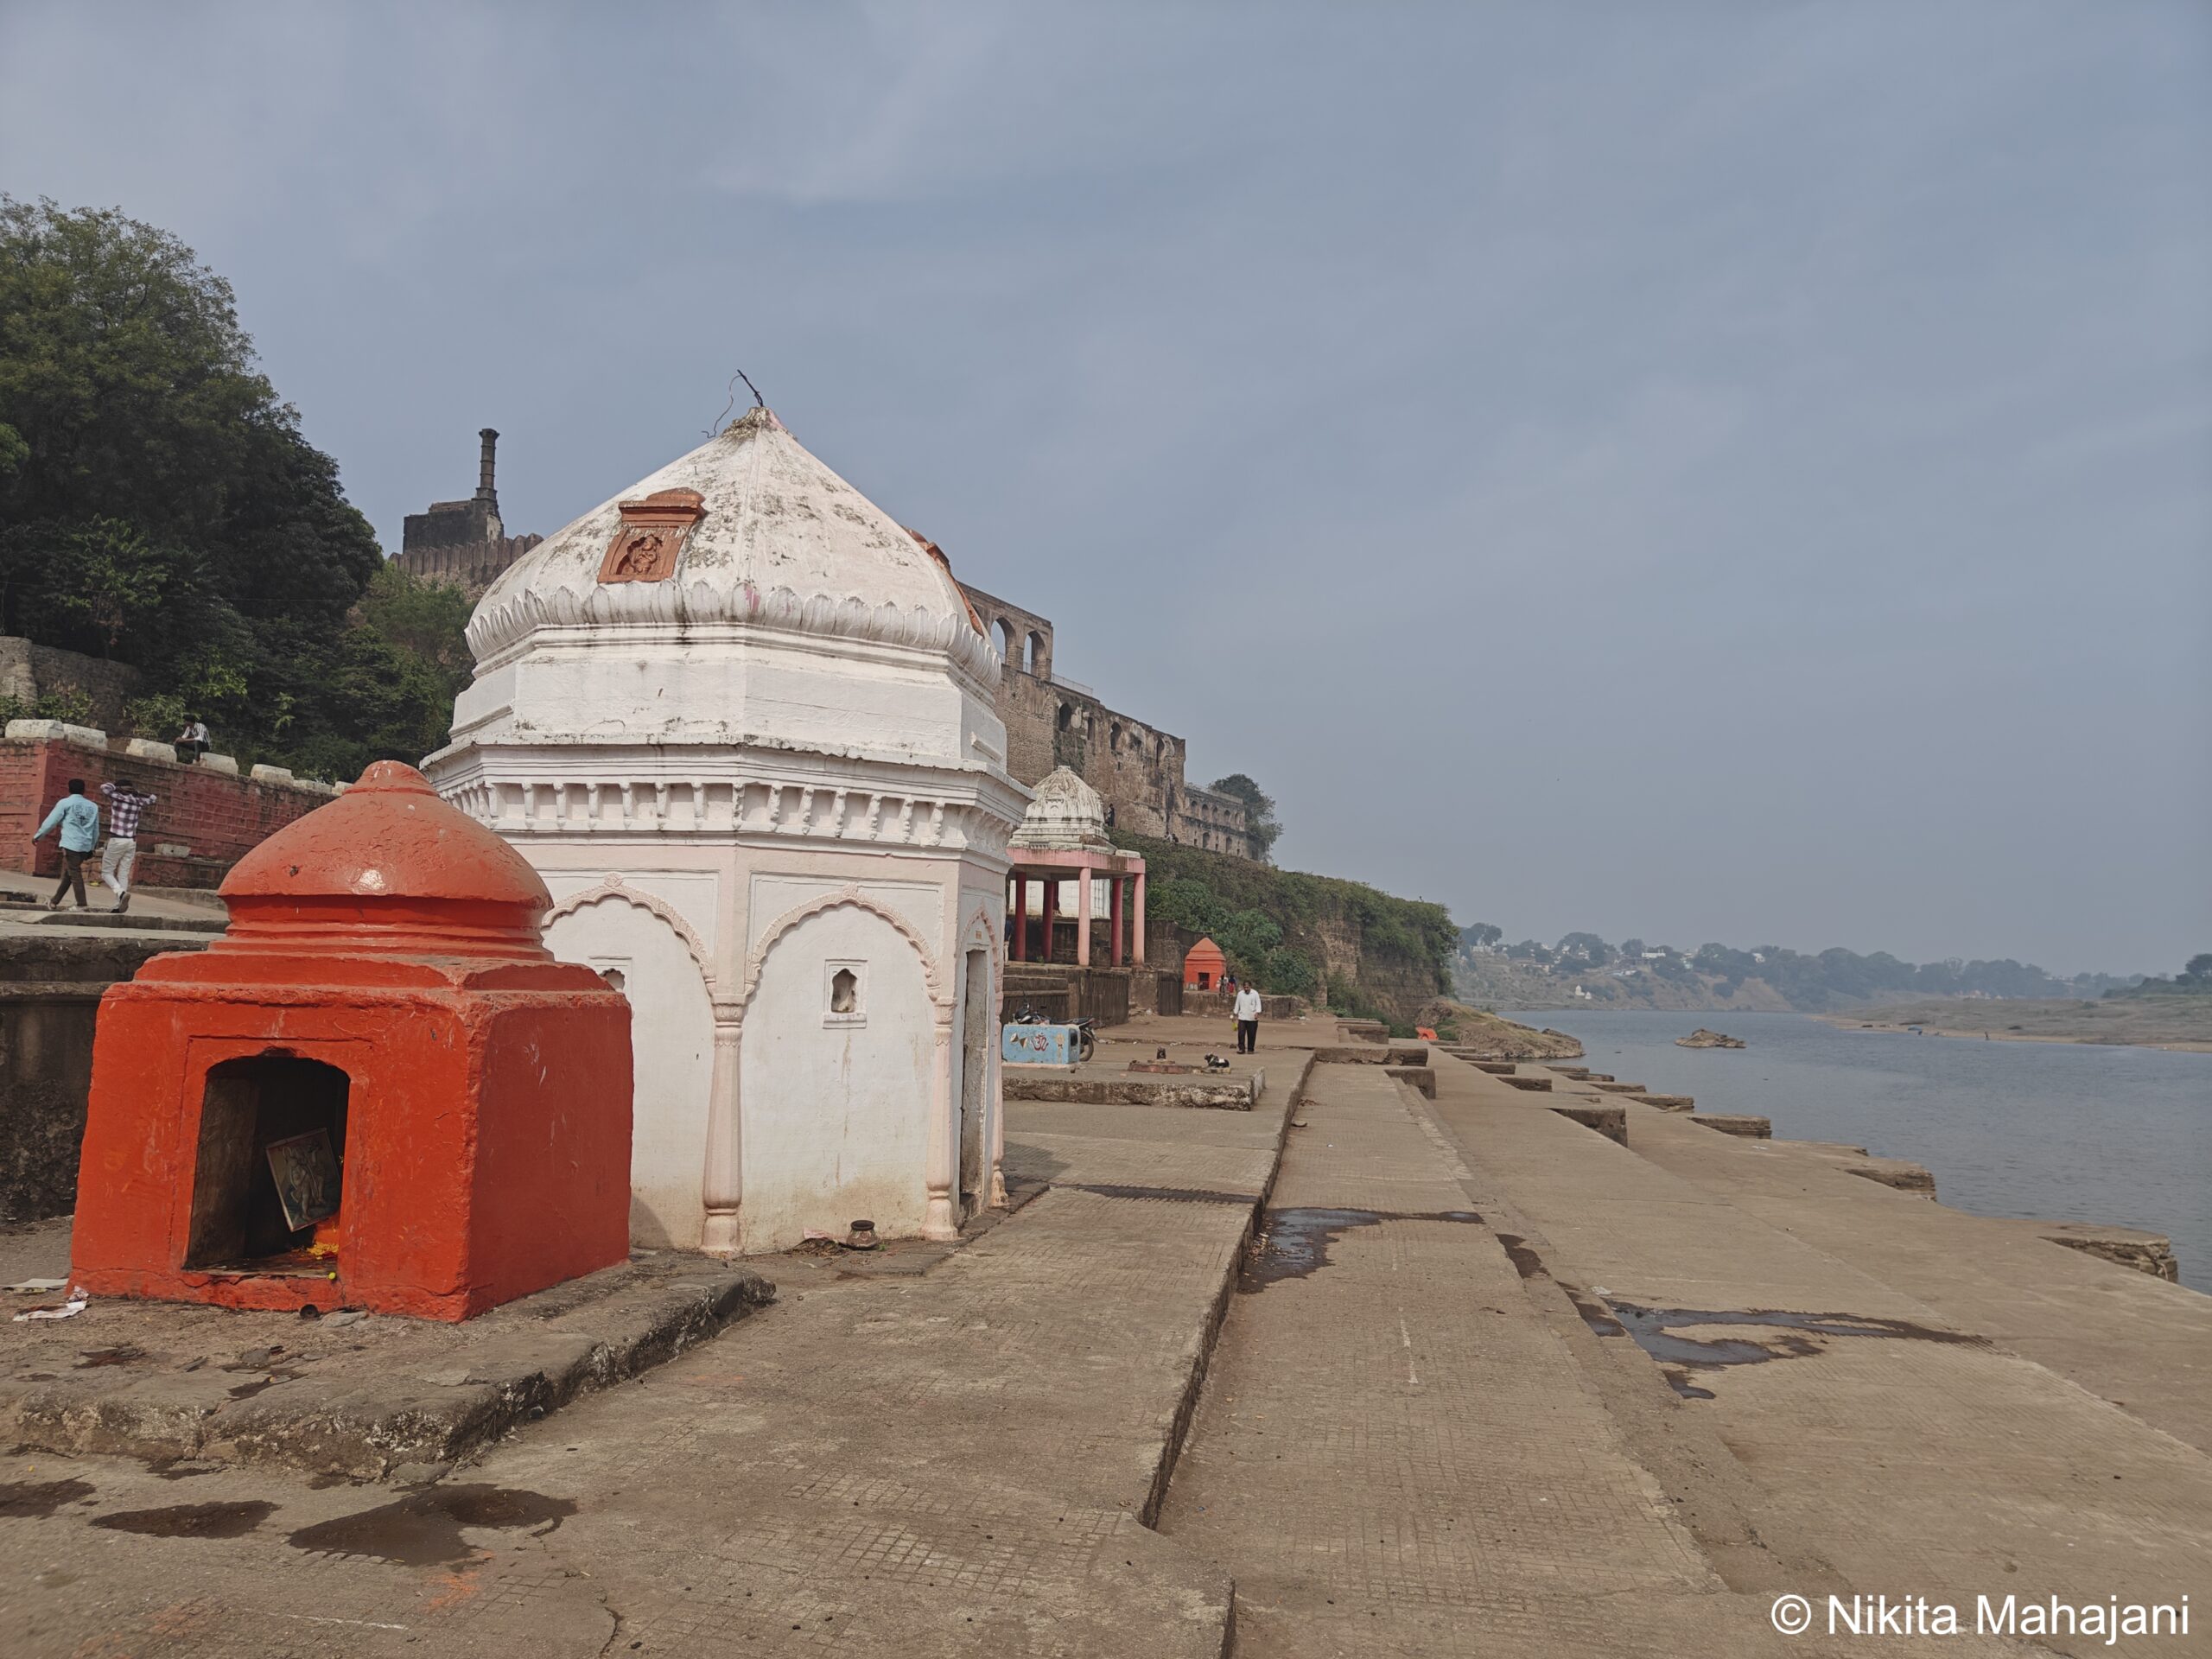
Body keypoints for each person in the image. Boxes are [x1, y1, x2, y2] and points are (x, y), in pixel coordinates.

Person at [33, 779, 101, 911]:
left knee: (74, 873)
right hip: (85, 845)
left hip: (71, 844)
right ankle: (54, 901)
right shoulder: (93, 807)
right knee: (69, 874)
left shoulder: (65, 803)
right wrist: (92, 847)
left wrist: (38, 835)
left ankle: (82, 904)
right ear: (84, 790)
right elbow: (96, 830)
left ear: (69, 789)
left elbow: (51, 821)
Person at [99, 779, 157, 913]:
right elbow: (153, 798)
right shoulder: (138, 801)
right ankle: (118, 904)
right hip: (131, 841)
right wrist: (139, 793)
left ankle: (120, 894)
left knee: (107, 872)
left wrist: (117, 788)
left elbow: (105, 787)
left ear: (120, 789)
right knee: (123, 874)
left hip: (116, 839)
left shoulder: (117, 797)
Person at [1234, 982, 1263, 1055]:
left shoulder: (1255, 994)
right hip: (1242, 1017)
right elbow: (1237, 1004)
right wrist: (1235, 1013)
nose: (1246, 989)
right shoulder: (1240, 994)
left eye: (1247, 987)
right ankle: (1241, 1048)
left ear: (1250, 987)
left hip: (1252, 1017)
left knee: (1252, 1034)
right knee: (1241, 1034)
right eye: (1245, 987)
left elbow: (1258, 1004)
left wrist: (1257, 1012)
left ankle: (1250, 1049)